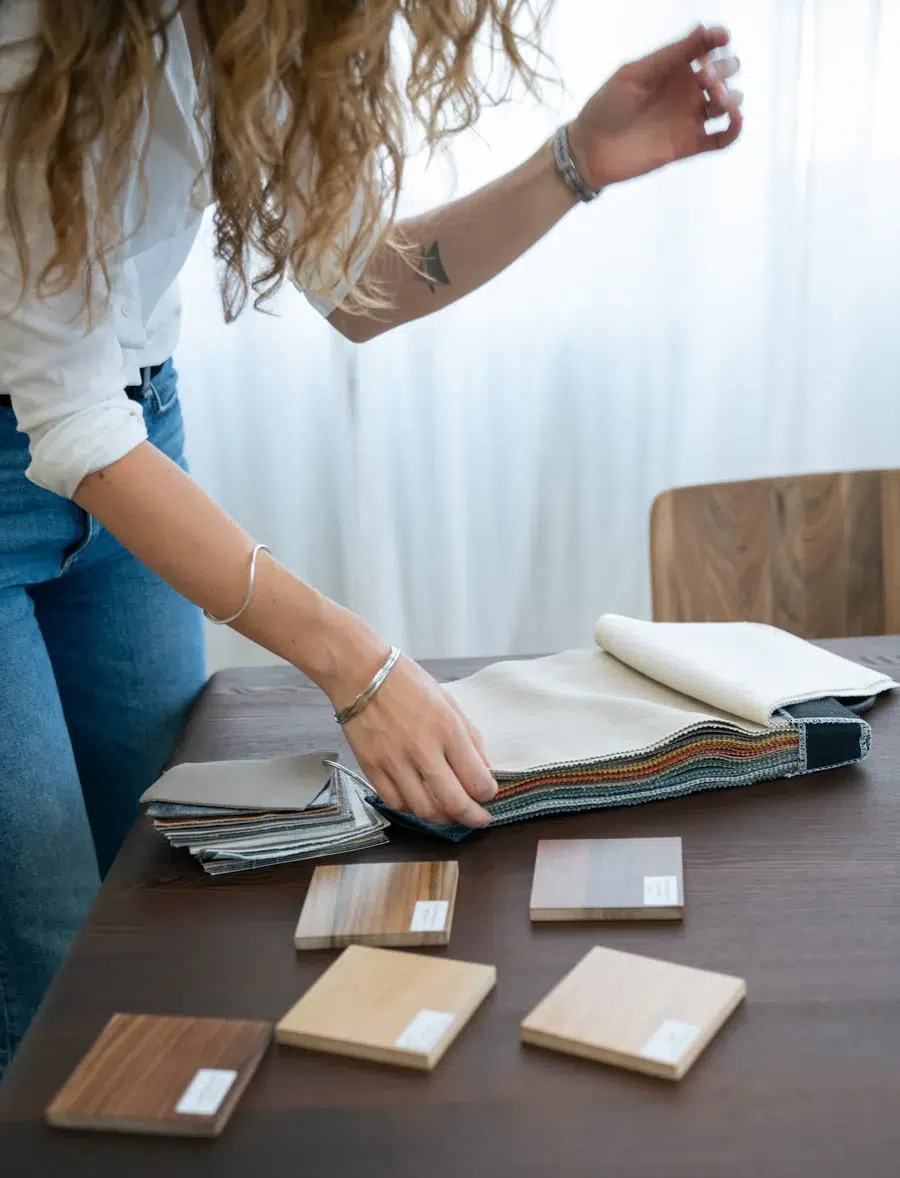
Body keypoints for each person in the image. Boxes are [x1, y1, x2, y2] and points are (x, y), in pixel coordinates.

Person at [0, 0, 742, 1076]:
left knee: (159, 896)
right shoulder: (38, 32)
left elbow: (357, 283)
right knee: (52, 955)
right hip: (80, 434)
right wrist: (357, 665)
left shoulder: (256, 38)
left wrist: (578, 160)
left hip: (129, 418)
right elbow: (71, 426)